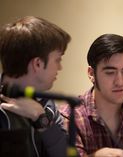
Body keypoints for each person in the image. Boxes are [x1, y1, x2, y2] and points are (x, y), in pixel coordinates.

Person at [0, 16, 71, 157]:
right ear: (37, 64)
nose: (60, 67)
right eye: (58, 60)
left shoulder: (47, 106)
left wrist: (41, 118)